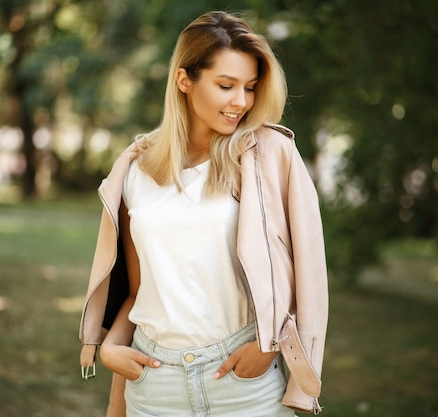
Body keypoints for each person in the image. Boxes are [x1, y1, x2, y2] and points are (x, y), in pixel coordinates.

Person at [79, 10, 328, 417]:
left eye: (249, 87)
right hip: (154, 384)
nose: (241, 102)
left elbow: (310, 273)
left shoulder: (268, 155)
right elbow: (142, 289)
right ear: (184, 80)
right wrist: (110, 346)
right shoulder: (137, 169)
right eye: (226, 85)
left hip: (243, 385)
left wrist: (270, 348)